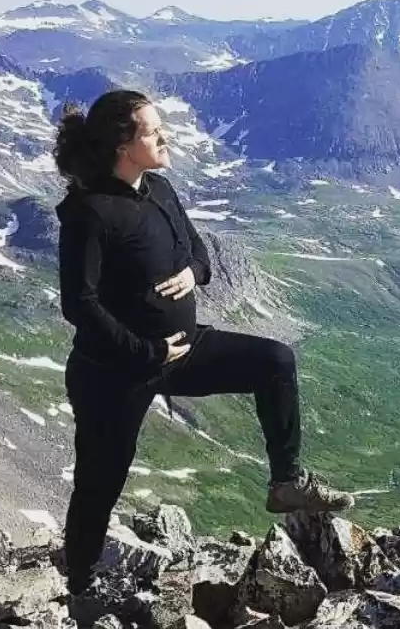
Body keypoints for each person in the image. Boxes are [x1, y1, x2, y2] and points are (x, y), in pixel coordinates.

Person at [53, 89, 354, 596]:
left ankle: (286, 484)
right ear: (123, 146)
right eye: (151, 131)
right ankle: (77, 590)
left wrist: (193, 273)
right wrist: (146, 352)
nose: (163, 136)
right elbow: (78, 304)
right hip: (113, 372)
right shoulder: (90, 212)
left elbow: (197, 252)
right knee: (99, 485)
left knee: (274, 361)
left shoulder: (161, 189)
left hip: (185, 350)